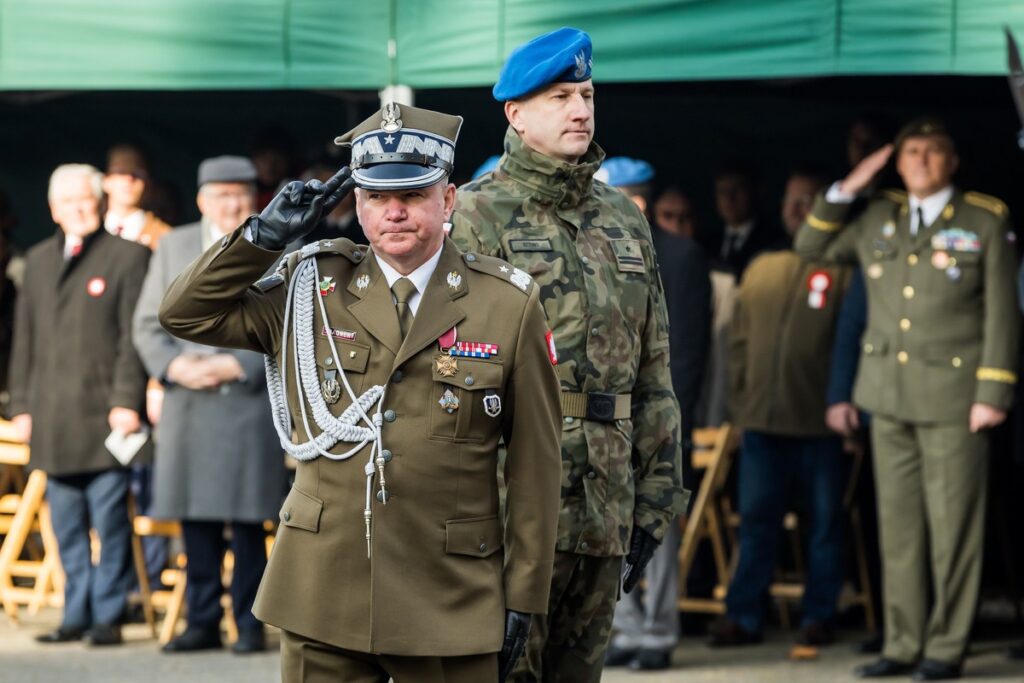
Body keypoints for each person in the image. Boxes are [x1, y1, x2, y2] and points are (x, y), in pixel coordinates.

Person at [158, 104, 562, 683]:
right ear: (357, 203)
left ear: (447, 200)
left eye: (414, 194)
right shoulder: (311, 285)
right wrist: (260, 238)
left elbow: (535, 465)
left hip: (450, 594)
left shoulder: (507, 303)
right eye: (375, 196)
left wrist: (525, 591)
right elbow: (184, 314)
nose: (393, 212)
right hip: (324, 589)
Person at [451, 27, 687, 682]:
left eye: (585, 94)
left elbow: (654, 365)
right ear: (516, 114)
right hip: (511, 502)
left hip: (605, 498)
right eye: (560, 97)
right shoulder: (474, 214)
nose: (581, 109)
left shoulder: (624, 219)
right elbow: (454, 377)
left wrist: (659, 488)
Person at [795, 117, 1020, 681]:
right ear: (896, 162)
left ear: (953, 161)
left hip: (954, 399)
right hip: (886, 396)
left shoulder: (983, 219)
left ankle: (946, 646)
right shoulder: (877, 215)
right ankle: (902, 641)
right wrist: (853, 182)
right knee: (897, 529)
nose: (920, 160)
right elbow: (810, 243)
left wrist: (993, 390)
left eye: (933, 151)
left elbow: (1002, 312)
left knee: (953, 531)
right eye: (911, 151)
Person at [133, 156, 287, 654]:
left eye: (240, 195)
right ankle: (200, 621)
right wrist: (175, 367)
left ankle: (248, 623)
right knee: (193, 519)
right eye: (221, 195)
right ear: (202, 200)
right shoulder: (173, 244)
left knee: (248, 522)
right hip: (188, 403)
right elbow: (146, 323)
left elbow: (288, 316)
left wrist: (236, 366)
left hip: (247, 402)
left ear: (255, 199)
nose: (231, 204)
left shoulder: (275, 245)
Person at [8, 164, 150, 646]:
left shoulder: (129, 257)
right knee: (65, 524)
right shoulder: (39, 259)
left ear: (102, 201)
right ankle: (74, 614)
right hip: (50, 413)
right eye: (68, 201)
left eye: (86, 198)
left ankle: (106, 616)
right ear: (53, 209)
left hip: (106, 414)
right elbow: (23, 340)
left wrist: (127, 401)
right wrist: (21, 405)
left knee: (109, 522)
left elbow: (134, 340)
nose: (79, 208)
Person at [708, 169, 849, 648]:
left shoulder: (844, 270)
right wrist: (739, 411)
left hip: (819, 426)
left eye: (809, 200)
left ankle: (819, 615)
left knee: (825, 525)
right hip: (761, 426)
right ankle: (744, 616)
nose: (798, 209)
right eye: (792, 200)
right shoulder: (761, 266)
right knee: (757, 523)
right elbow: (740, 346)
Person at [602, 162, 712, 671]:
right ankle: (625, 626)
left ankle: (659, 629)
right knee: (609, 522)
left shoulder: (680, 254)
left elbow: (685, 351)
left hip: (657, 413)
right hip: (606, 415)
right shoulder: (598, 248)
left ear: (636, 202)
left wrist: (669, 422)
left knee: (656, 524)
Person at [709, 160, 779, 276]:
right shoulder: (707, 242)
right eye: (722, 191)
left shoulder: (772, 242)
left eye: (737, 189)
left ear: (754, 192)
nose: (729, 198)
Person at [103, 144, 171, 250]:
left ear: (148, 184)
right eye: (120, 171)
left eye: (138, 173)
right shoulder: (86, 229)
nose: (129, 178)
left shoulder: (164, 237)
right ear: (105, 180)